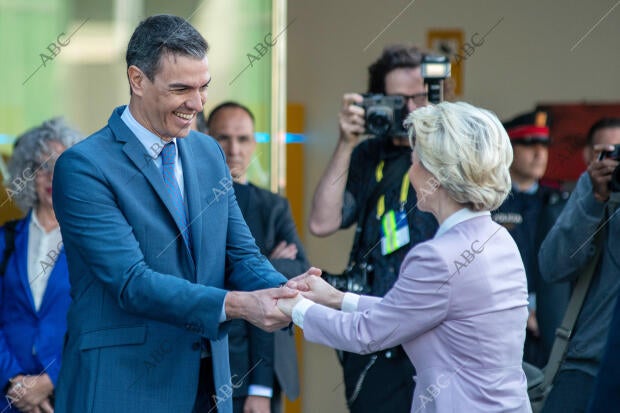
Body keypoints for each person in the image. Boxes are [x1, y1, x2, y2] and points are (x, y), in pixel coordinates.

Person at [51, 15, 312, 413]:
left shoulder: (208, 153)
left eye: (204, 87)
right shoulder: (84, 166)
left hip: (210, 387)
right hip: (123, 388)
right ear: (137, 80)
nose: (197, 103)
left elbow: (241, 254)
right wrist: (240, 304)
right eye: (181, 89)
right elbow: (131, 282)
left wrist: (289, 293)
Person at [281, 101, 531, 412]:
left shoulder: (437, 257)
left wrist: (295, 307)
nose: (410, 172)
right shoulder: (499, 238)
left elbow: (367, 335)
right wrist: (336, 298)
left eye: (414, 162)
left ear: (436, 176)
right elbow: (409, 311)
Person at [307, 44, 438, 412]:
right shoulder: (369, 154)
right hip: (375, 331)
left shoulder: (451, 155)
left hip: (433, 332)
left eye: (419, 97)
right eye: (399, 100)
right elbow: (322, 222)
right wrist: (346, 143)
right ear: (377, 102)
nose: (411, 109)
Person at [206, 102, 307, 413]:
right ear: (205, 139)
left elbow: (300, 271)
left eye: (243, 139)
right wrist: (266, 262)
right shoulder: (195, 204)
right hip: (206, 366)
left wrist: (260, 266)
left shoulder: (273, 206)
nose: (234, 149)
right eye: (223, 138)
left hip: (263, 370)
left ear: (254, 143)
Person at [539, 117, 620, 413]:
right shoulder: (600, 188)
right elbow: (553, 267)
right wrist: (596, 199)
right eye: (611, 154)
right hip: (590, 366)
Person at [0, 118, 80, 413]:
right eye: (40, 166)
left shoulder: (89, 243)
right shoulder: (5, 239)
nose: (50, 176)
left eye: (61, 165)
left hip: (69, 393)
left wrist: (50, 380)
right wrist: (14, 382)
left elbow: (98, 323)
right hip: (8, 397)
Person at [492, 110, 570, 367]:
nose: (539, 153)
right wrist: (523, 311)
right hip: (501, 320)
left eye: (544, 144)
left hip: (553, 322)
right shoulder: (489, 202)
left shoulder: (560, 201)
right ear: (508, 149)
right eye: (528, 144)